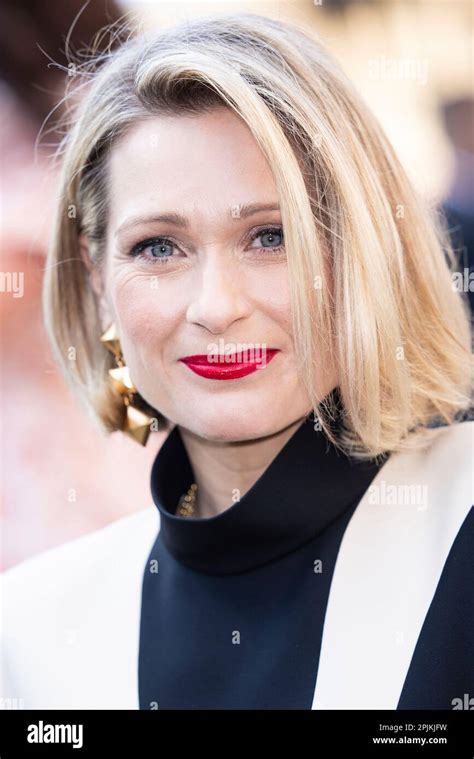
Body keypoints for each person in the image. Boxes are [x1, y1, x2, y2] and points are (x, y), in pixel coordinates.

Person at [1, 13, 472, 710]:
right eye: (159, 247)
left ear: (363, 250)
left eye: (270, 236)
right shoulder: (32, 630)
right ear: (97, 279)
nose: (215, 307)